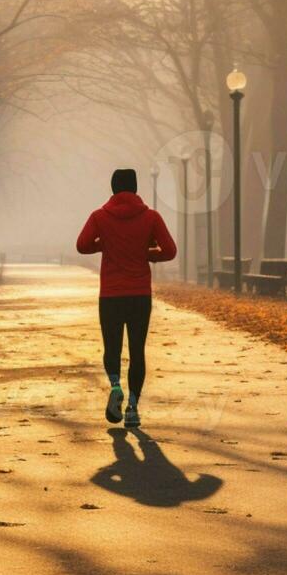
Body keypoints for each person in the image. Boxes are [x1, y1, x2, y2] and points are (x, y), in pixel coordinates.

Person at [75, 168, 177, 428]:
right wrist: (146, 252)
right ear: (134, 188)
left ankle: (115, 386)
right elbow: (170, 251)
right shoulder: (151, 217)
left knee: (112, 347)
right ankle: (132, 407)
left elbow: (83, 245)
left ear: (112, 188)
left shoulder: (99, 217)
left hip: (110, 295)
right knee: (137, 350)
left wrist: (105, 244)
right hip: (139, 295)